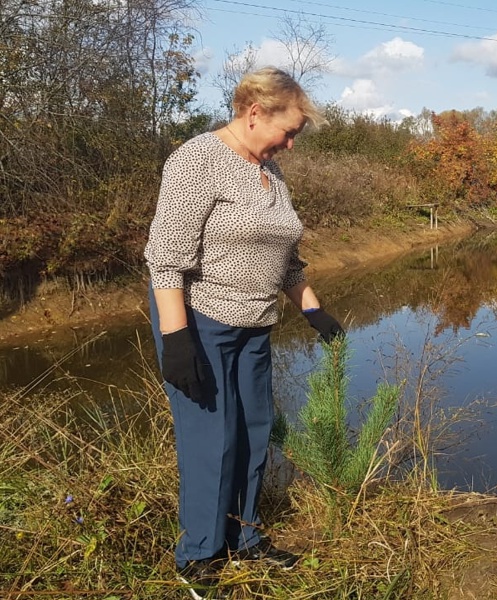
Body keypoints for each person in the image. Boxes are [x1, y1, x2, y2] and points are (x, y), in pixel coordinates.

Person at [145, 66, 344, 599]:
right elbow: (165, 261)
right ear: (255, 112)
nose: (292, 144)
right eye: (291, 131)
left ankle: (245, 538)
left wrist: (314, 312)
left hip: (255, 323)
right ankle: (199, 558)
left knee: (255, 431)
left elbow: (286, 261)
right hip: (201, 320)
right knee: (213, 439)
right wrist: (177, 340)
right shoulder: (197, 160)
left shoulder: (270, 173)